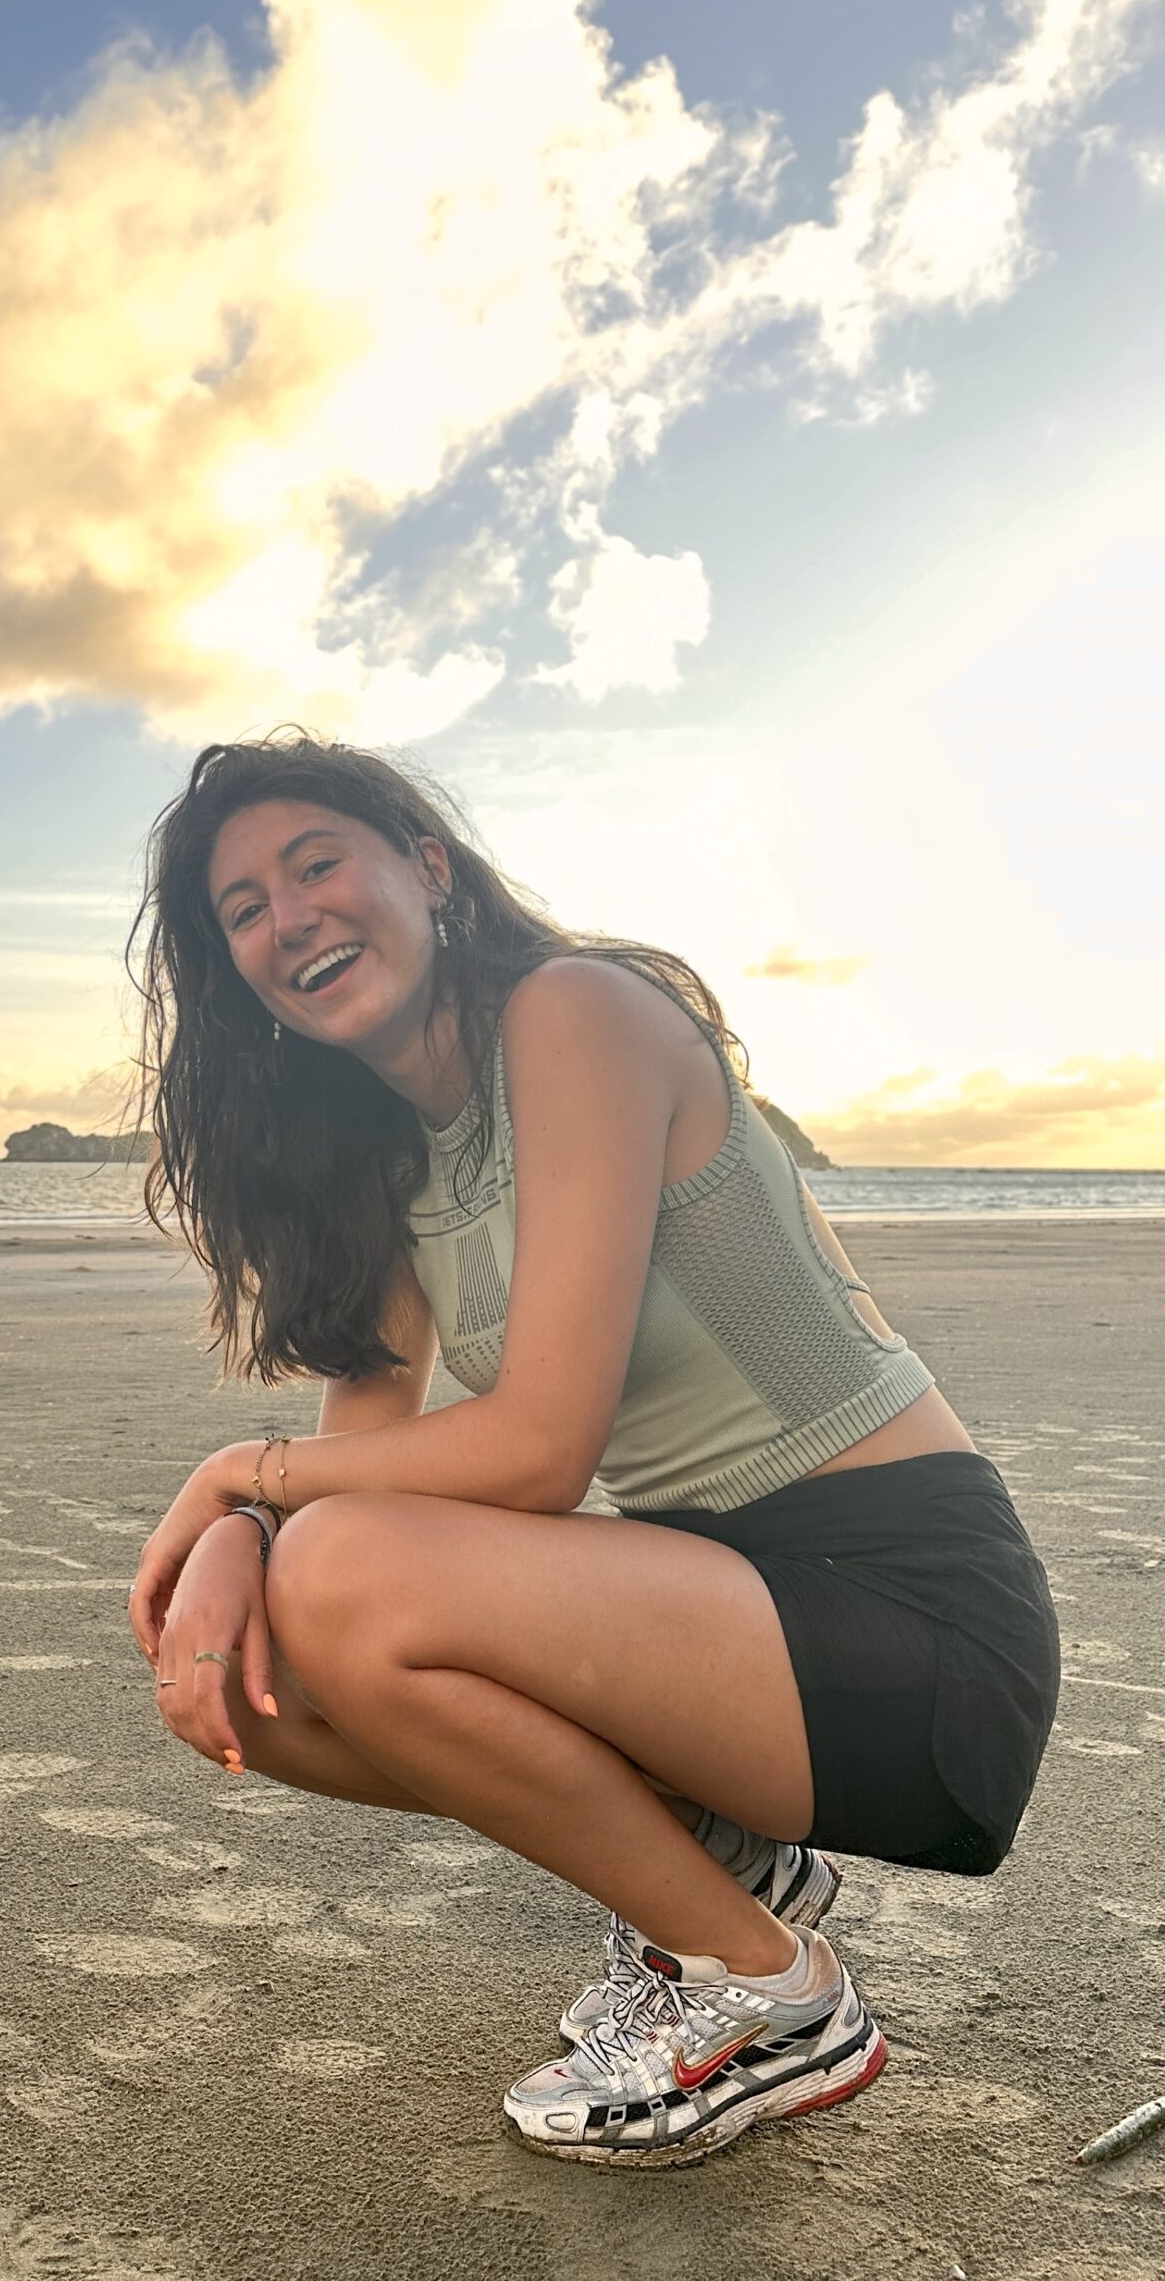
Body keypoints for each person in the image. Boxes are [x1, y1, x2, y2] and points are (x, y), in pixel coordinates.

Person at [125, 734, 1059, 2169]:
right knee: (263, 1672)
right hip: (715, 1619)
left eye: (316, 864)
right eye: (241, 908)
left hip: (911, 1619)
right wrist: (241, 1545)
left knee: (343, 1575)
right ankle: (726, 1861)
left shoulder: (571, 1015)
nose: (286, 916)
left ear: (427, 871)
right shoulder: (385, 1164)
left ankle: (768, 1992)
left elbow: (537, 1449)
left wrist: (230, 1482)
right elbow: (363, 1452)